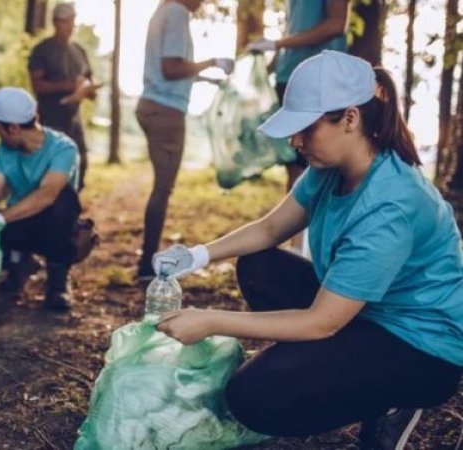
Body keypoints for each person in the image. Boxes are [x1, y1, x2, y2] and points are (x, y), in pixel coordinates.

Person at [153, 51, 463, 449]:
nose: (295, 142)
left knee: (251, 397)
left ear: (350, 118)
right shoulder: (329, 169)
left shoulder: (390, 206)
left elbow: (322, 323)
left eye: (306, 128)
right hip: (367, 313)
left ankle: (391, 401)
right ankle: (324, 367)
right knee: (258, 266)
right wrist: (197, 255)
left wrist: (211, 320)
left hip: (420, 351)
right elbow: (269, 229)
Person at [136, 0, 235, 281]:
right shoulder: (177, 13)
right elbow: (171, 68)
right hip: (166, 109)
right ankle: (146, 265)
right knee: (163, 189)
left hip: (153, 103)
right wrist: (214, 61)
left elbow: (169, 69)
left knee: (162, 187)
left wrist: (206, 79)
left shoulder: (162, 12)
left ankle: (146, 260)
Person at [248, 0, 348, 252]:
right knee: (296, 163)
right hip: (288, 74)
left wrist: (278, 44)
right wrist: (269, 61)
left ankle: (320, 249)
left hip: (321, 79)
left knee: (324, 164)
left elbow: (336, 24)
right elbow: (297, 26)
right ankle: (297, 247)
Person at [0, 87, 81, 312]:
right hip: (19, 222)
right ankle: (20, 264)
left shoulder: (64, 148)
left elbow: (47, 194)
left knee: (64, 199)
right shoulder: (4, 150)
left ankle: (58, 283)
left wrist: (1, 217)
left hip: (53, 224)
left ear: (12, 128)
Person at [28, 1, 99, 192]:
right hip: (50, 119)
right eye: (64, 21)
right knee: (49, 168)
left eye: (72, 21)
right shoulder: (42, 50)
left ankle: (70, 212)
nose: (69, 26)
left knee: (80, 165)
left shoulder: (79, 51)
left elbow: (89, 80)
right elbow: (38, 86)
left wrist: (89, 90)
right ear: (55, 22)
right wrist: (68, 86)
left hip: (74, 120)